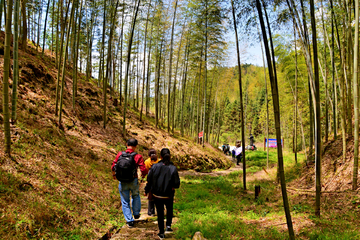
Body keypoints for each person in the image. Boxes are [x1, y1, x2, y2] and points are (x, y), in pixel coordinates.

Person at [111, 138, 148, 228]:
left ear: (126, 144)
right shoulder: (138, 156)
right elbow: (143, 169)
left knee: (125, 201)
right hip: (133, 180)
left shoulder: (120, 154)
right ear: (135, 146)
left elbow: (113, 166)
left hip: (122, 181)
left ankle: (129, 221)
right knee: (135, 195)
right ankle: (136, 213)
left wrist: (114, 175)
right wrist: (143, 175)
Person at [145, 148, 180, 239]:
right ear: (170, 156)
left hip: (157, 195)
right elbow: (177, 184)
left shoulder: (154, 167)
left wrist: (146, 190)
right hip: (168, 195)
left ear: (160, 157)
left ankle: (161, 232)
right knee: (169, 209)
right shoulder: (173, 168)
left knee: (160, 213)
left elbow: (149, 181)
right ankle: (168, 226)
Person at [144, 148, 160, 216]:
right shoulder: (159, 161)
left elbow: (145, 170)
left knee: (151, 197)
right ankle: (159, 211)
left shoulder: (147, 161)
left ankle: (150, 211)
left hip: (150, 181)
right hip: (159, 181)